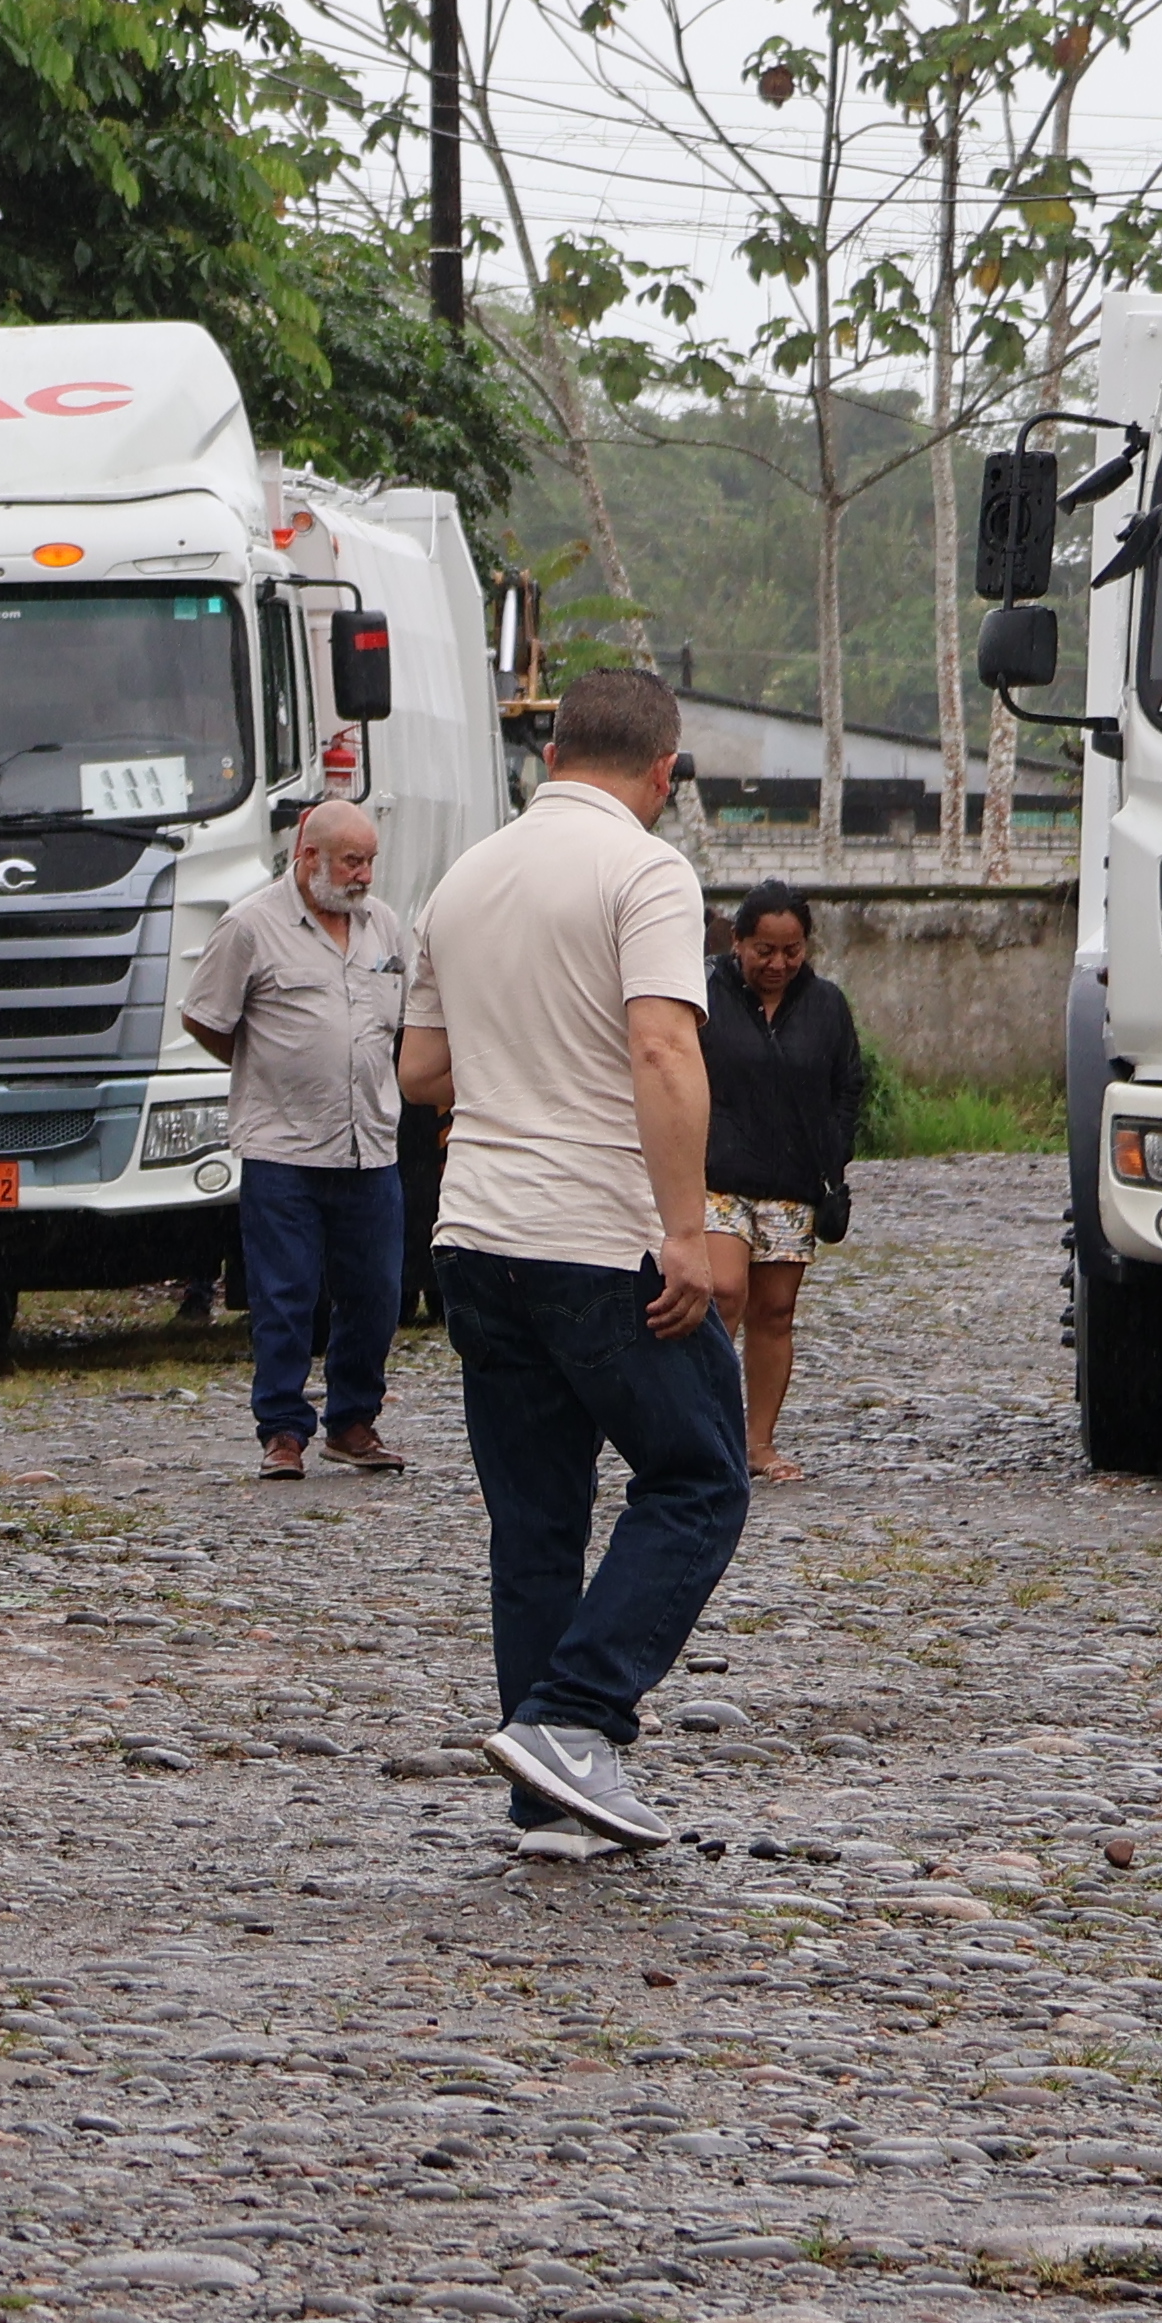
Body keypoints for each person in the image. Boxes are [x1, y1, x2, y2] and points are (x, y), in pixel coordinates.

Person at [397, 667, 747, 1856]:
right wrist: (688, 1229)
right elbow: (660, 1047)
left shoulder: (463, 876)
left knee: (536, 1519)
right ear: (664, 770)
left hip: (477, 1238)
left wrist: (517, 1055)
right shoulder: (645, 869)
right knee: (700, 1477)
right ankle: (576, 1714)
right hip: (596, 1237)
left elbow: (421, 1073)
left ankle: (550, 1803)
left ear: (549, 754)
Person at [175, 799, 419, 1479]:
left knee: (376, 1291)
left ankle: (353, 1421)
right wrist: (268, 1065)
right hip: (283, 1144)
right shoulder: (251, 926)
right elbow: (206, 1017)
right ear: (308, 857)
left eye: (370, 861)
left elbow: (402, 1019)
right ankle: (282, 1430)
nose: (364, 875)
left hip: (370, 1142)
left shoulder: (384, 928)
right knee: (285, 1296)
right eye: (351, 861)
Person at [695, 881, 867, 1485]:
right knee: (722, 1294)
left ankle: (758, 1442)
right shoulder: (701, 993)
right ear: (737, 941)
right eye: (764, 950)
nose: (777, 964)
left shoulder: (826, 1005)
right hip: (713, 1176)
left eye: (791, 951)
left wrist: (833, 1153)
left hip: (794, 1184)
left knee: (775, 1313)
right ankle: (705, 1434)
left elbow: (848, 1086)